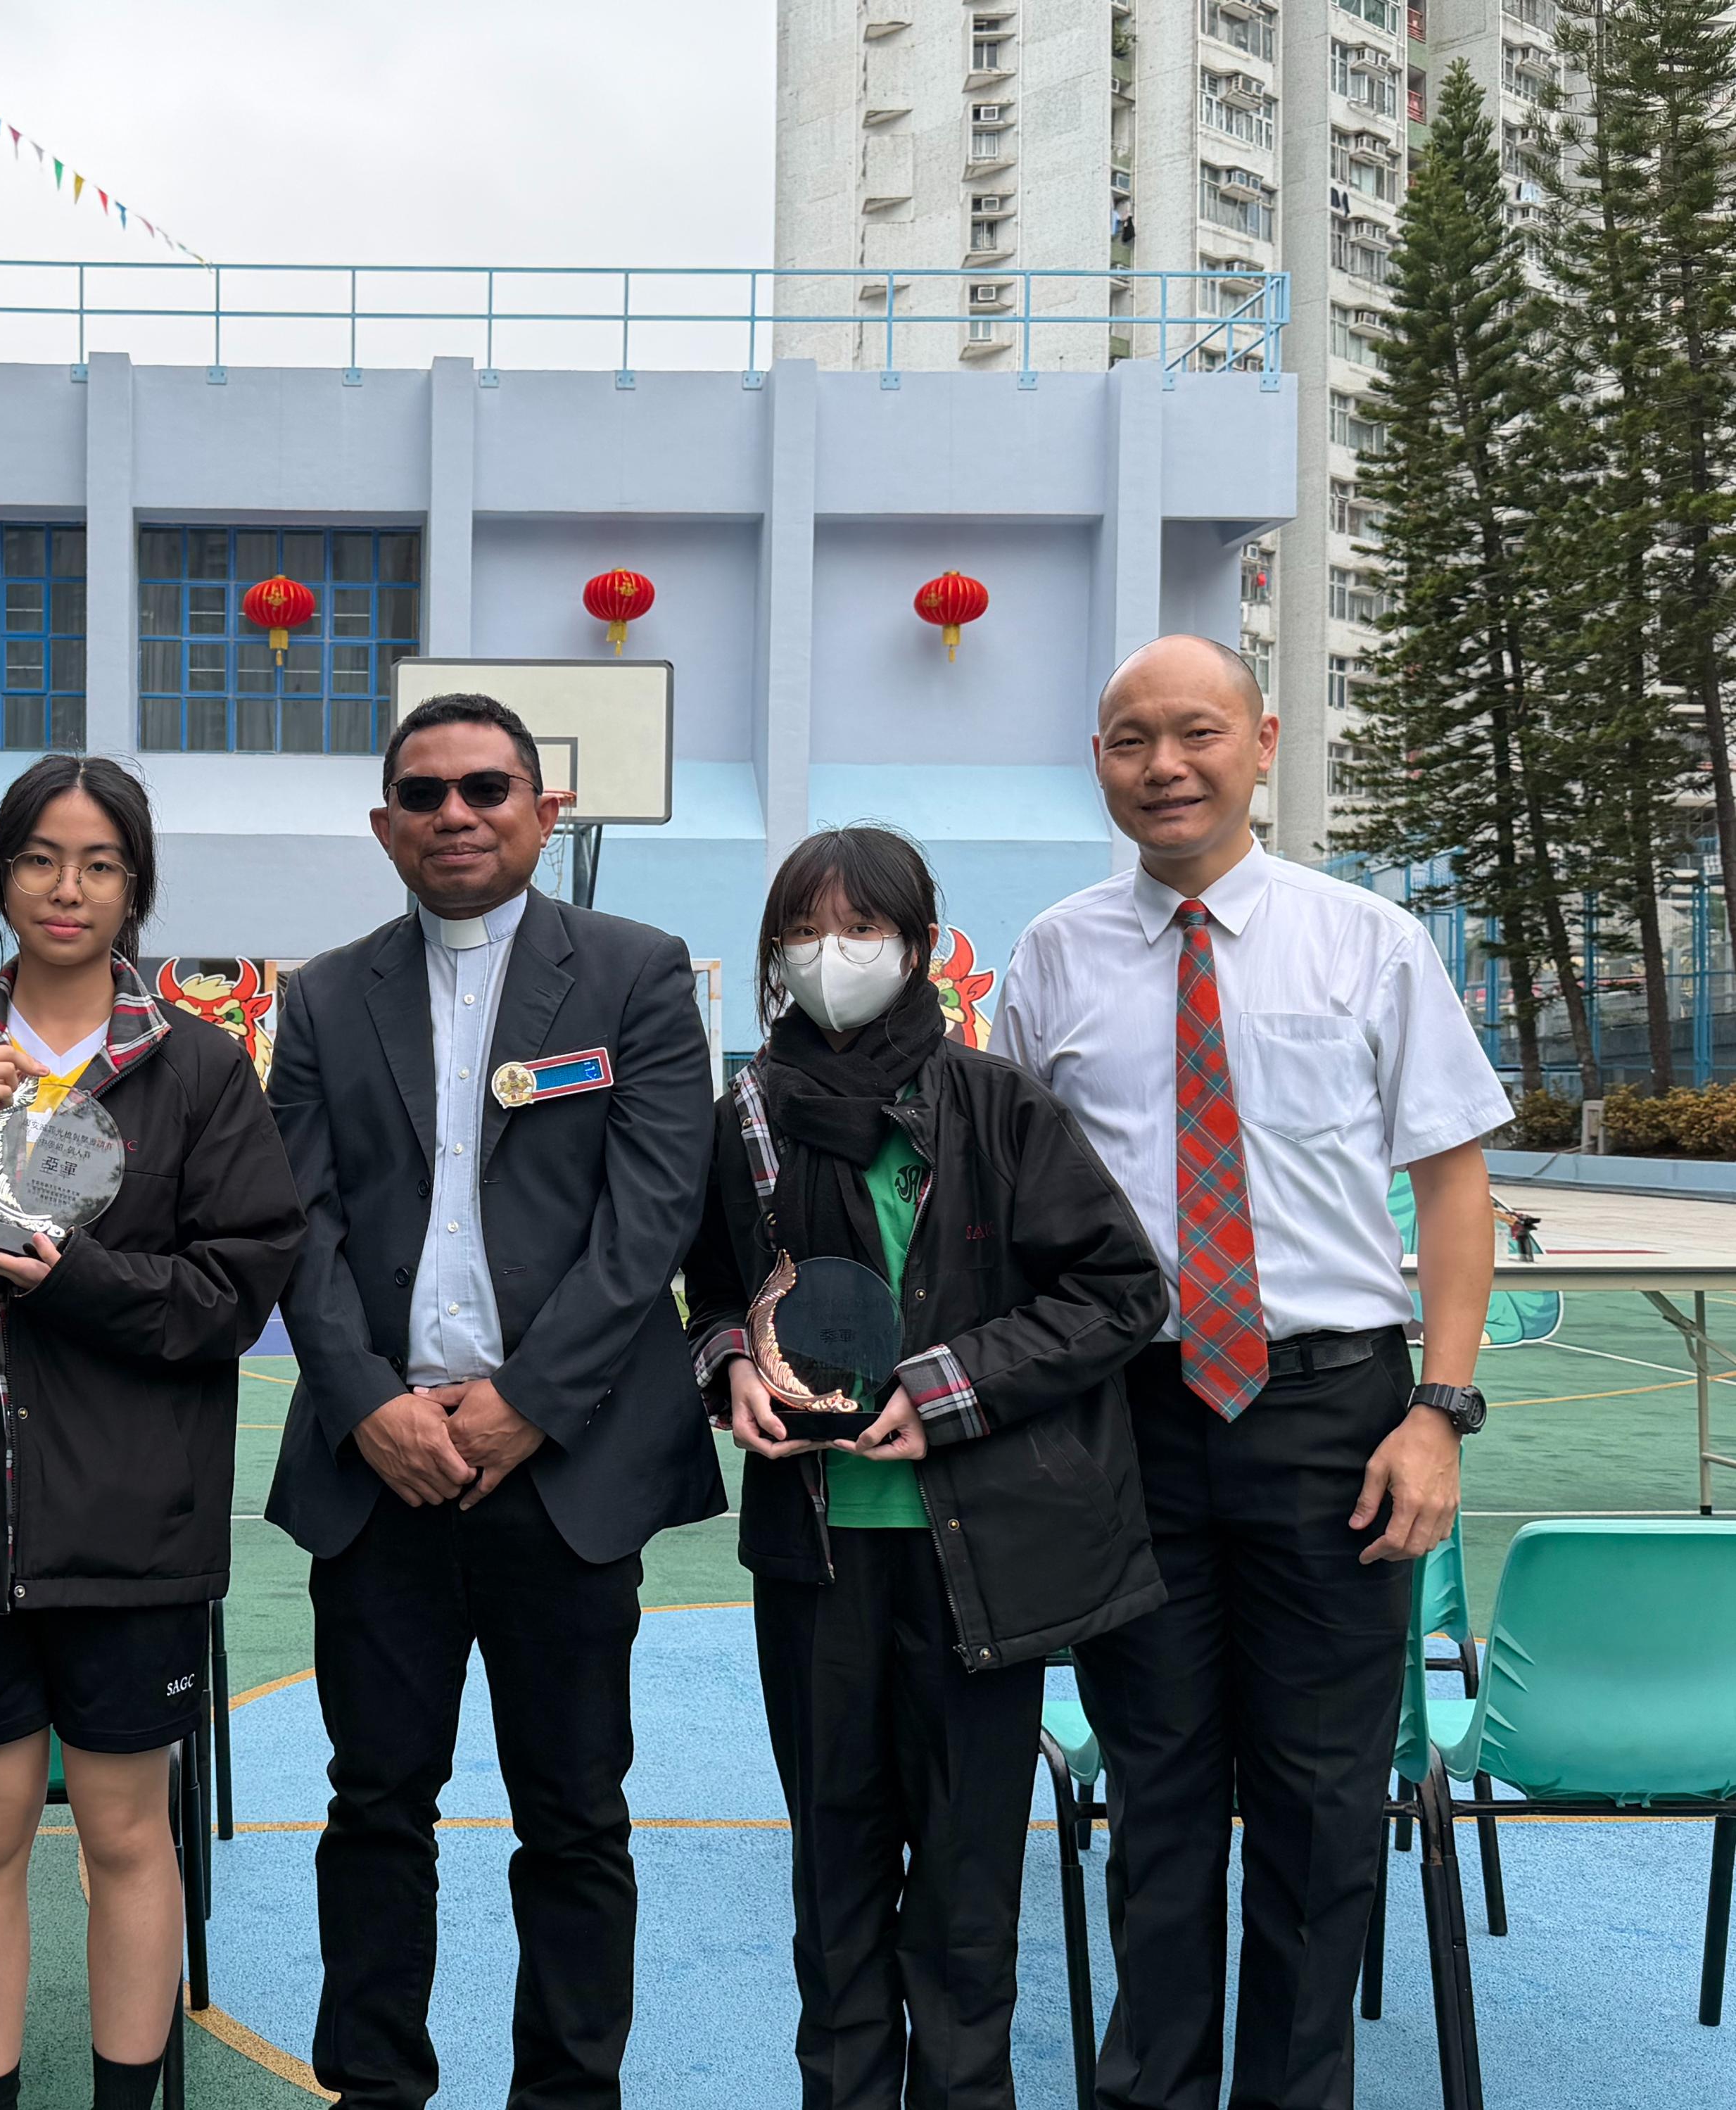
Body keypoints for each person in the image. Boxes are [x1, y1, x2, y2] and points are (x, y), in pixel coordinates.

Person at [991, 634, 1509, 2110]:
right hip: (1125, 1421)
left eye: (1196, 731)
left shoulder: (1366, 942)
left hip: (1336, 1419)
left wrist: (1437, 1410)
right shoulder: (1049, 957)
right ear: (1098, 762)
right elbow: (1005, 1202)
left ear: (1262, 741)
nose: (1164, 764)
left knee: (1319, 1801)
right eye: (1129, 739)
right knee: (1154, 1795)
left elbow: (1453, 1184)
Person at [265, 693, 723, 2109]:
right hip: (380, 1470)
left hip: (561, 1470)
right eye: (425, 793)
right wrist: (365, 1405)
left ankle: (569, 2094)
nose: (455, 814)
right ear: (384, 823)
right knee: (374, 1806)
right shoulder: (322, 997)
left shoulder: (637, 976)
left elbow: (651, 1216)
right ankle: (374, 2088)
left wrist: (526, 1400)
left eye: (485, 787)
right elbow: (297, 1223)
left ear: (544, 807)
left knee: (574, 1817)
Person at [680, 824, 1167, 2110]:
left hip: (980, 1562)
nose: (829, 955)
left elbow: (1120, 1289)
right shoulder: (743, 1118)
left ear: (915, 945)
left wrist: (945, 1389)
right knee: (833, 1886)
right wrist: (728, 1363)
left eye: (860, 929)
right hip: (815, 1557)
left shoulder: (996, 1105)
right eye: (803, 931)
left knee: (963, 1899)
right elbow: (711, 1290)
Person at [0, 754, 303, 2110]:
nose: (68, 887)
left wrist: (81, 1279)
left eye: (100, 863)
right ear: (2, 876)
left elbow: (237, 1286)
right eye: (41, 858)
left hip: (132, 1525)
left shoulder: (199, 1066)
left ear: (134, 887)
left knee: (124, 1828)